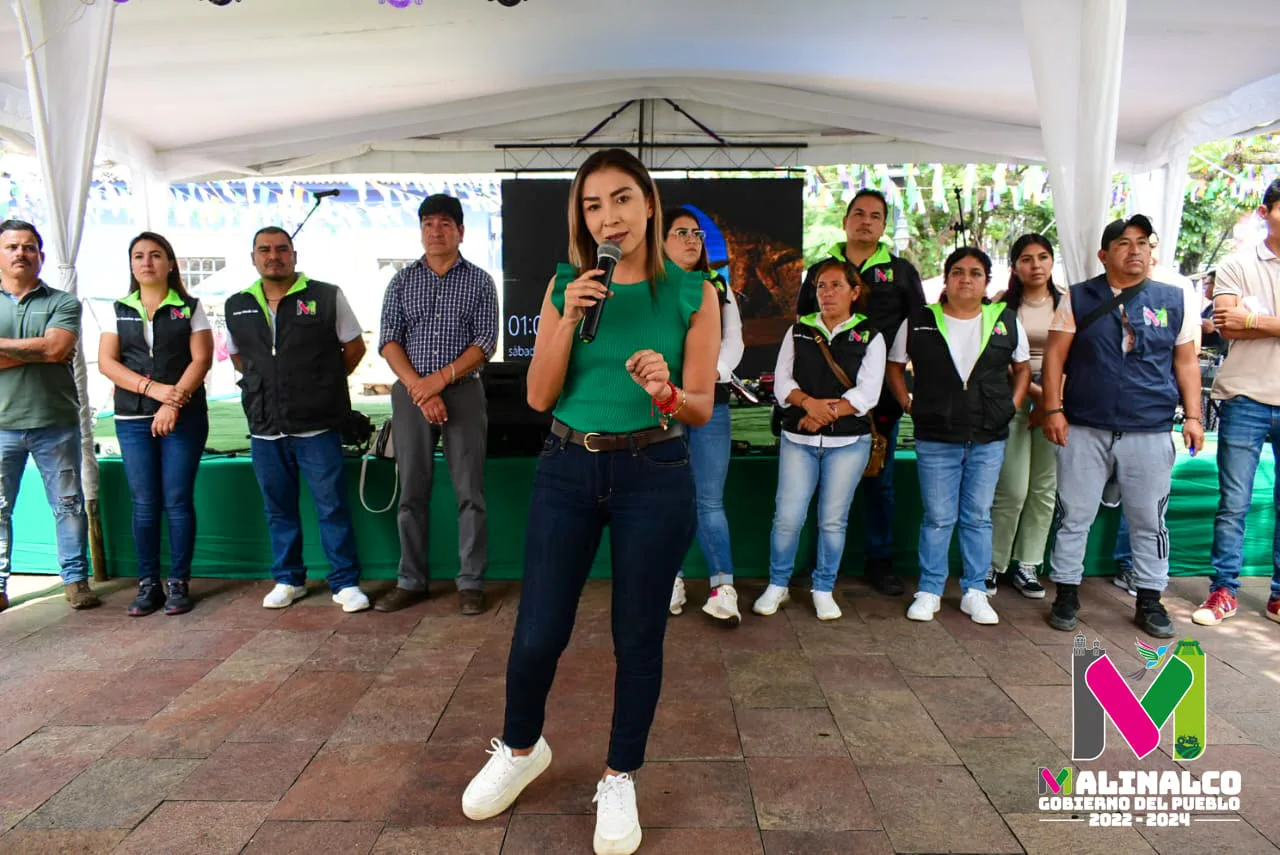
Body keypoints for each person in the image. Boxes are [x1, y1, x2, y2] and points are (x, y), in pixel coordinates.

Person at [460, 149, 718, 855]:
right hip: (568, 466)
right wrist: (567, 318)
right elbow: (540, 396)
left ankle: (619, 772)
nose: (611, 216)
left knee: (638, 634)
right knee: (539, 627)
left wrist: (665, 389)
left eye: (624, 199)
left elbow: (699, 407)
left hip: (655, 469)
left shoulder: (694, 293)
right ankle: (520, 747)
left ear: (649, 204)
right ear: (581, 216)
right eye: (595, 204)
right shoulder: (567, 284)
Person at [1041, 215, 1205, 639]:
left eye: (1142, 242)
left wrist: (1193, 416)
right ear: (1104, 254)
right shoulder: (1077, 297)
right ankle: (1067, 592)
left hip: (1148, 428)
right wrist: (1053, 410)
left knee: (1150, 519)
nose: (1135, 250)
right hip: (1085, 426)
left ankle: (1150, 599)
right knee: (1074, 515)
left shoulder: (1175, 299)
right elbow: (1056, 356)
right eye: (1123, 243)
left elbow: (1185, 362)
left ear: (1152, 251)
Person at [224, 227, 370, 613]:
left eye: (281, 249)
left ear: (294, 254)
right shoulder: (236, 304)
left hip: (317, 426)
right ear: (253, 257)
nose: (274, 256)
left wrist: (322, 383)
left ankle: (345, 582)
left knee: (331, 505)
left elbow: (354, 347)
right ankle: (288, 579)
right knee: (278, 508)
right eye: (265, 250)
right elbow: (239, 357)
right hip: (265, 428)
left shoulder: (325, 295)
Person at [886, 247, 1030, 625]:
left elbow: (1023, 369)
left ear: (986, 282)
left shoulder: (1005, 320)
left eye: (976, 273)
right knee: (937, 517)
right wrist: (908, 404)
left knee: (978, 517)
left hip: (988, 436)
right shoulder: (919, 320)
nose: (966, 279)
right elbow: (895, 367)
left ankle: (974, 591)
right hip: (936, 435)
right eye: (958, 272)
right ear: (946, 279)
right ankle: (930, 589)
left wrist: (1011, 407)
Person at [796, 189, 925, 596]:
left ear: (884, 226)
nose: (866, 221)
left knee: (878, 480)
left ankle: (879, 561)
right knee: (818, 483)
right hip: (821, 396)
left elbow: (918, 330)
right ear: (845, 220)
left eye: (875, 216)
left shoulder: (902, 272)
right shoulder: (820, 269)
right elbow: (803, 327)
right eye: (858, 213)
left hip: (878, 399)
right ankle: (814, 566)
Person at [375, 194, 499, 616]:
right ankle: (411, 580)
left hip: (462, 391)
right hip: (411, 395)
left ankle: (471, 581)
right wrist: (419, 389)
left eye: (445, 223)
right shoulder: (402, 281)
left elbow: (485, 342)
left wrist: (439, 382)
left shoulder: (480, 281)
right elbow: (388, 340)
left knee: (470, 492)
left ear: (461, 231)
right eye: (428, 223)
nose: (435, 231)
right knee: (412, 490)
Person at [753, 258, 884, 621]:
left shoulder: (869, 334)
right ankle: (777, 584)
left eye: (836, 285)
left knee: (832, 520)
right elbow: (782, 384)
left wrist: (826, 413)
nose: (826, 293)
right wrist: (808, 405)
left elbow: (868, 393)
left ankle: (824, 587)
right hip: (799, 439)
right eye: (820, 286)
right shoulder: (799, 330)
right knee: (788, 518)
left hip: (849, 444)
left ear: (854, 292)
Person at [98, 232, 212, 616]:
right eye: (138, 256)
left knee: (177, 500)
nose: (147, 262)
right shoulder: (116, 309)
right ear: (131, 265)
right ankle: (148, 584)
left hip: (185, 417)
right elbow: (108, 364)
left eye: (155, 255)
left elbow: (201, 360)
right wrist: (153, 390)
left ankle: (178, 581)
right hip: (132, 418)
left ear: (171, 263)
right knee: (145, 503)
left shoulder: (190, 306)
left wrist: (173, 401)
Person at [1193, 178, 1280, 627]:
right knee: (1234, 501)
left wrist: (1255, 319)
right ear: (1265, 213)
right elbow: (1226, 325)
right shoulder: (1236, 264)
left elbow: (1242, 320)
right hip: (1245, 394)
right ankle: (1222, 590)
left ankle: (1278, 596)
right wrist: (1248, 321)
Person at [0, 220, 97, 612]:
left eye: (28, 247)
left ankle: (75, 581)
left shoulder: (63, 301)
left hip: (54, 422)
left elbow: (56, 350)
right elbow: (46, 348)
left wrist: (36, 349)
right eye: (11, 247)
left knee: (69, 504)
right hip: (1, 424)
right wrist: (36, 349)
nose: (20, 253)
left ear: (40, 255)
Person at [663, 206, 744, 625]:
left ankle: (723, 587)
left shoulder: (717, 286)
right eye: (681, 233)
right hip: (662, 405)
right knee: (667, 498)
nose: (692, 240)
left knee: (709, 500)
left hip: (711, 402)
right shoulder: (650, 289)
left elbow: (734, 343)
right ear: (660, 242)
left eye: (696, 233)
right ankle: (670, 579)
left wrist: (707, 376)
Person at [987, 235, 1061, 599]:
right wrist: (1038, 398)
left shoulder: (1068, 304)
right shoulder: (1001, 306)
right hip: (1014, 400)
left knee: (1043, 489)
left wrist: (1053, 404)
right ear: (1015, 266)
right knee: (1012, 489)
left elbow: (1079, 357)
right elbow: (998, 360)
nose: (1036, 265)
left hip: (1058, 407)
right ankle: (993, 563)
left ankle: (1029, 564)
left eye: (1043, 257)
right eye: (1027, 259)